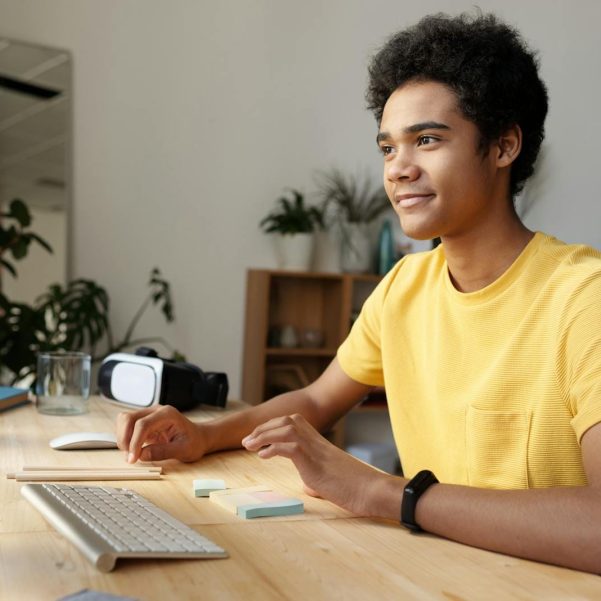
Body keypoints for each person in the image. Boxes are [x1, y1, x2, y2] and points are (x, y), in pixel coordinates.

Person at [116, 12, 601, 573]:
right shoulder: (403, 287)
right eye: (388, 148)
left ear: (503, 146)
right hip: (434, 575)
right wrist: (204, 435)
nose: (398, 169)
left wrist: (383, 493)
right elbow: (317, 401)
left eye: (426, 140)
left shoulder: (582, 299)